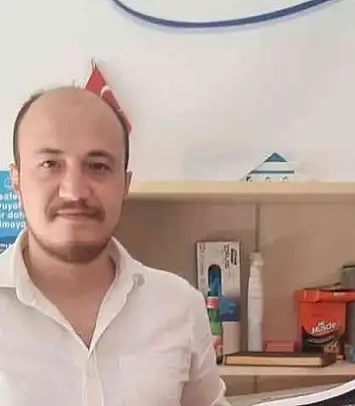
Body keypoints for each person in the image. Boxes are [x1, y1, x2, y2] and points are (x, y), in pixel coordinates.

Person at [0, 86, 229, 406]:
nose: (74, 192)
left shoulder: (180, 306)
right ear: (16, 179)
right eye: (50, 164)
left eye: (98, 166)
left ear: (125, 184)